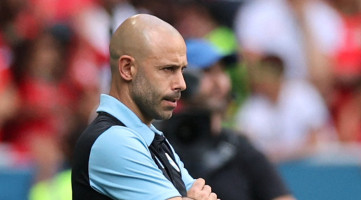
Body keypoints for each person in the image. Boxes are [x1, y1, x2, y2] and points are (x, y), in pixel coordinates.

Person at [71, 14, 218, 200]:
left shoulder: (153, 137)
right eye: (168, 69)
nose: (182, 84)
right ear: (127, 68)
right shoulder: (113, 140)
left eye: (182, 70)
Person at [160, 38, 295, 200]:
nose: (219, 81)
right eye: (207, 71)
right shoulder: (160, 145)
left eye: (222, 71)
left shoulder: (240, 147)